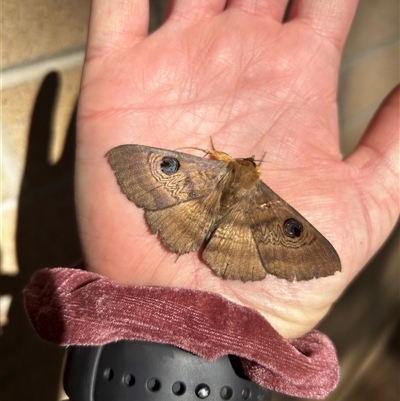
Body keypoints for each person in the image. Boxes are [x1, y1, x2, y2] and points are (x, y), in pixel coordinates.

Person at [75, 0, 399, 341]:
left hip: (187, 210)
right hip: (240, 241)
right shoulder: (264, 196)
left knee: (174, 173)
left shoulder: (213, 167)